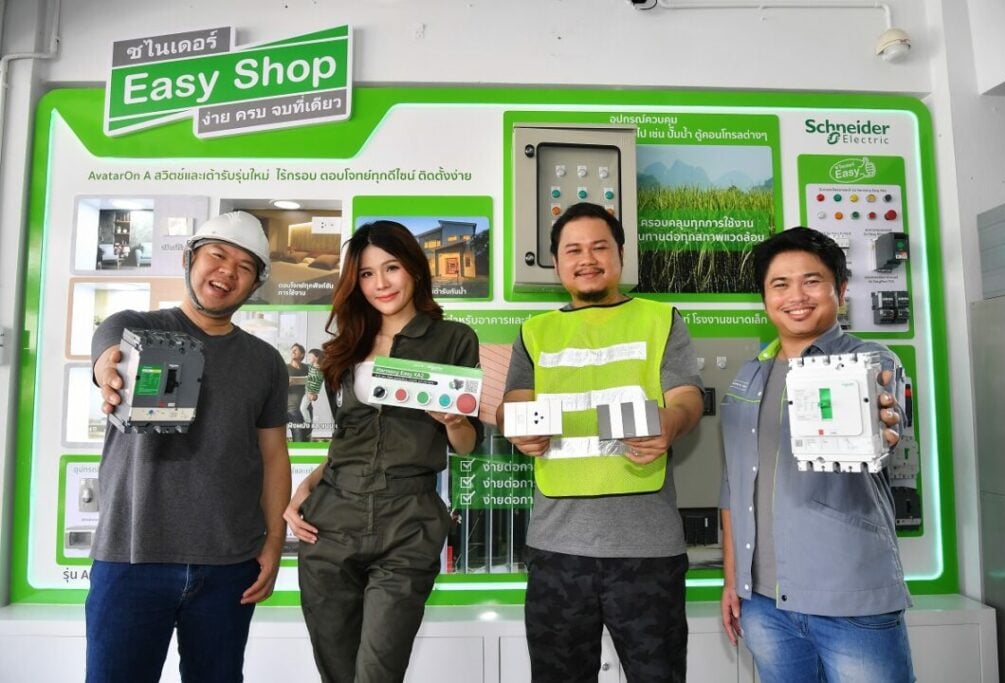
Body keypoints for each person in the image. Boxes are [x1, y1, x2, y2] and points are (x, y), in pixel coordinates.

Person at [497, 202, 705, 683]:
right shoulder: (535, 331)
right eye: (573, 250)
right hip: (556, 549)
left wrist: (671, 423)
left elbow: (687, 397)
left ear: (621, 254)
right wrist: (515, 425)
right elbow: (512, 404)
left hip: (647, 549)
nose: (587, 259)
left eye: (599, 247)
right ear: (556, 262)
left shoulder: (661, 319)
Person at [86, 211, 291, 682]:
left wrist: (275, 543)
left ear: (255, 283)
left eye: (244, 266)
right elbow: (108, 349)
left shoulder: (265, 362)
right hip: (131, 556)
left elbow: (273, 456)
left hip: (229, 565)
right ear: (189, 259)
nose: (227, 272)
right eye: (217, 255)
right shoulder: (135, 327)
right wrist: (107, 370)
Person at [284, 220, 484, 683]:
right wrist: (304, 488)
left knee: (377, 673)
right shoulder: (342, 348)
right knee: (337, 673)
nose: (381, 283)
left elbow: (467, 444)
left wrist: (454, 421)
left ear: (414, 269)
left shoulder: (453, 339)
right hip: (331, 521)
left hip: (408, 521)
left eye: (391, 268)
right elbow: (346, 442)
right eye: (367, 274)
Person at [718, 227, 914, 683]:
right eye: (780, 284)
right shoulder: (749, 377)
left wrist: (880, 426)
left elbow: (885, 422)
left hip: (852, 598)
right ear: (765, 298)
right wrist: (733, 580)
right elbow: (732, 487)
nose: (796, 296)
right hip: (764, 603)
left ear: (840, 291)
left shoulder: (871, 361)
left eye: (811, 281)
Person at [287, 342, 312, 442]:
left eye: (295, 350)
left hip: (307, 408)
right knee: (298, 438)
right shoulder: (285, 368)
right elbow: (276, 387)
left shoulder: (307, 368)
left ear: (302, 354)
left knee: (307, 437)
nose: (293, 351)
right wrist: (285, 384)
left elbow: (315, 382)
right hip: (292, 409)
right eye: (292, 350)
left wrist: (314, 394)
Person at [302, 347, 325, 428]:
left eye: (310, 356)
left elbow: (318, 382)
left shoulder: (320, 370)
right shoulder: (311, 366)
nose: (308, 358)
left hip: (311, 392)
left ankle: (307, 422)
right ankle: (308, 422)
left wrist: (312, 393)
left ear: (316, 357)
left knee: (303, 408)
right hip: (307, 391)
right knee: (303, 408)